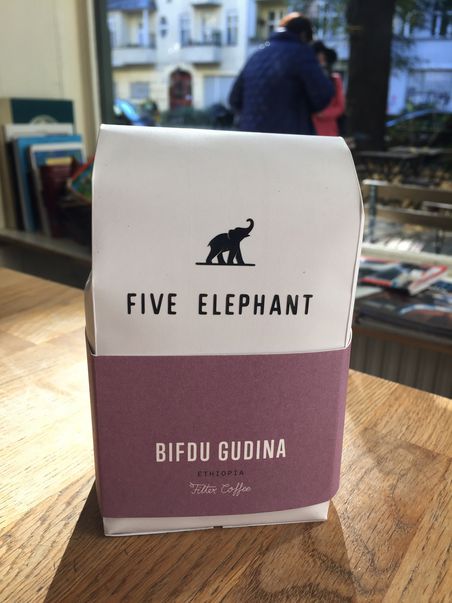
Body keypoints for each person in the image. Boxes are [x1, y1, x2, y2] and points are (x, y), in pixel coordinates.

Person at [228, 13, 334, 135]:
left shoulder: (256, 55)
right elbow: (322, 96)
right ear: (304, 35)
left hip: (252, 135)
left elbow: (234, 99)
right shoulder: (302, 53)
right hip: (288, 136)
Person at [311, 42, 345, 136]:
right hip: (307, 130)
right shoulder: (305, 79)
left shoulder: (334, 79)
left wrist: (323, 113)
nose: (320, 58)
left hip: (328, 131)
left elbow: (340, 106)